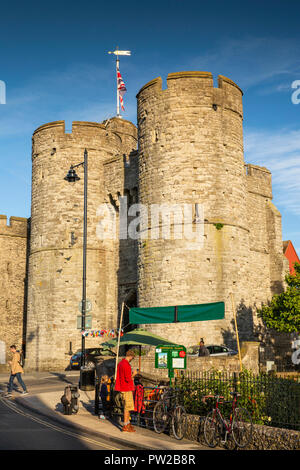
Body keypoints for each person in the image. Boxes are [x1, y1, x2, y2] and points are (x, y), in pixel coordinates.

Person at [114, 349, 138, 432]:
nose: (132, 359)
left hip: (122, 388)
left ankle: (127, 423)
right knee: (128, 407)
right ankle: (125, 425)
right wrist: (134, 374)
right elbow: (128, 379)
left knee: (127, 407)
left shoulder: (120, 363)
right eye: (132, 358)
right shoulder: (126, 365)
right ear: (131, 356)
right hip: (126, 388)